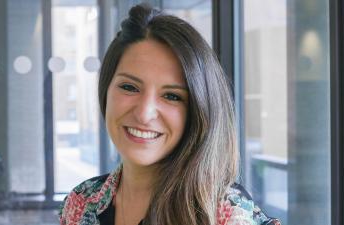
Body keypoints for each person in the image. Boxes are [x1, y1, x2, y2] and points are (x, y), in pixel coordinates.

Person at [59, 3, 281, 225]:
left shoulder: (227, 215)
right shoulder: (81, 202)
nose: (145, 114)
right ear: (106, 90)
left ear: (198, 110)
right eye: (129, 87)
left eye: (172, 96)